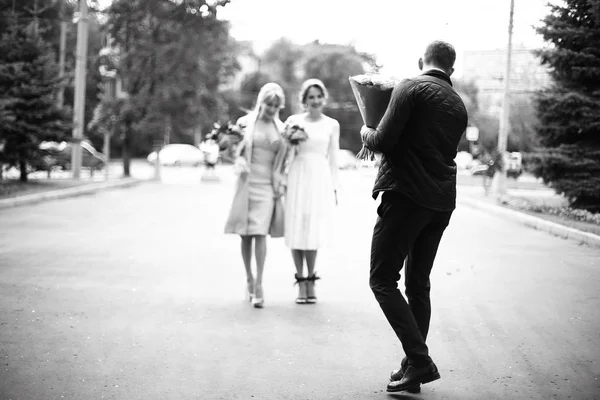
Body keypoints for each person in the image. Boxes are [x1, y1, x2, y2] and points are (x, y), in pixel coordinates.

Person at [360, 41, 468, 393]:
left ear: (423, 61)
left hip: (406, 195)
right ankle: (412, 367)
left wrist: (365, 130)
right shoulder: (457, 104)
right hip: (440, 202)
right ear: (451, 68)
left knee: (383, 280)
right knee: (418, 284)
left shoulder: (410, 86)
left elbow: (381, 140)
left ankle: (419, 360)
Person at [224, 83, 288, 309]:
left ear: (279, 106)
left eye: (275, 105)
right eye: (268, 103)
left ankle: (259, 283)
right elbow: (230, 150)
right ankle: (248, 278)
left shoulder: (282, 129)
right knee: (245, 234)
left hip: (267, 187)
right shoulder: (244, 124)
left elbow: (284, 159)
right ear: (260, 101)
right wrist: (237, 159)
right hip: (246, 184)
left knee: (260, 233)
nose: (271, 108)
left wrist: (282, 182)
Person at [284, 78, 340, 304]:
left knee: (313, 230)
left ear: (323, 98)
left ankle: (311, 278)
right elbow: (287, 155)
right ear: (304, 101)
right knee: (297, 227)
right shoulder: (293, 121)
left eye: (318, 96)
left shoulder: (332, 124)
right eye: (310, 97)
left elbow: (334, 159)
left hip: (320, 179)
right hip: (297, 177)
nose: (315, 100)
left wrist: (335, 187)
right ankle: (301, 280)